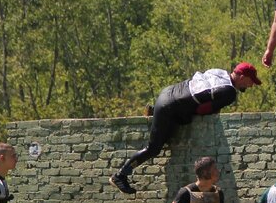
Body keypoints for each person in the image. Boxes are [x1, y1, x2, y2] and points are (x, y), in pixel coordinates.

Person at [109, 63, 260, 195]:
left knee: (172, 132)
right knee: (154, 148)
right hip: (169, 107)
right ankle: (120, 175)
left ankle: (155, 112)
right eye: (250, 81)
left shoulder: (219, 72)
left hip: (168, 92)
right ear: (241, 76)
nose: (251, 85)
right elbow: (203, 109)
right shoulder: (229, 92)